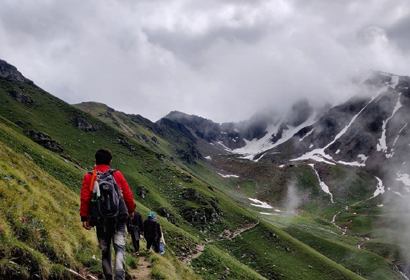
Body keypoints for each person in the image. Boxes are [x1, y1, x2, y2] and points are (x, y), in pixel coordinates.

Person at [80, 148, 136, 280]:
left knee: (105, 250)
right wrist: (131, 210)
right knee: (120, 248)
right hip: (119, 217)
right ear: (110, 162)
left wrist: (84, 217)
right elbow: (127, 194)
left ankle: (108, 276)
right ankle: (120, 277)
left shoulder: (90, 176)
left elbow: (85, 198)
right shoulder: (117, 174)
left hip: (100, 219)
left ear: (95, 161)